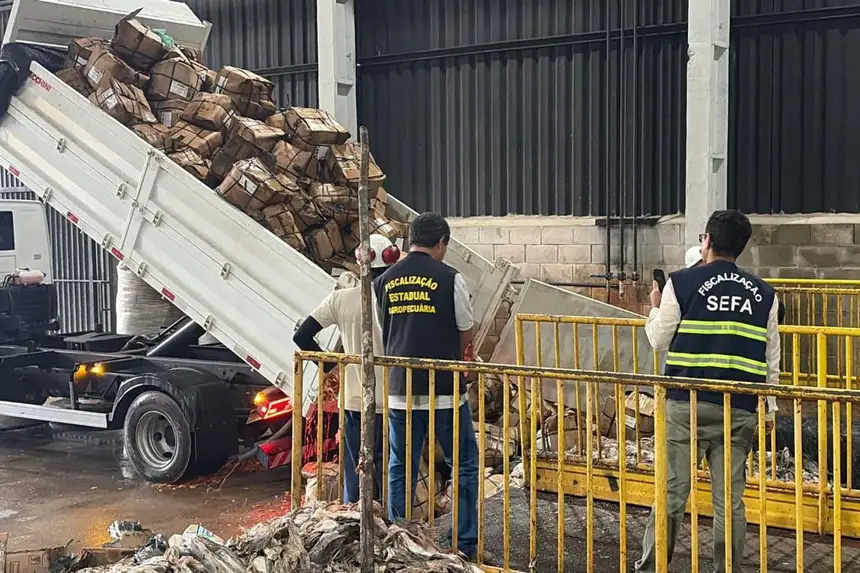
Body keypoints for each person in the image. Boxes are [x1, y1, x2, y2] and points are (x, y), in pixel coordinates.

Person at [636, 210, 781, 573]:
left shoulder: (681, 283)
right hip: (740, 408)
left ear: (707, 242)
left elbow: (658, 339)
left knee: (671, 492)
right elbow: (771, 360)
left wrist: (654, 309)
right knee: (729, 502)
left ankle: (654, 566)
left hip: (688, 405)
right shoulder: (765, 295)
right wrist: (770, 410)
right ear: (741, 248)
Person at [373, 212, 480, 560]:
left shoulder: (384, 280)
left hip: (400, 391)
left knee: (399, 466)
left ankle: (400, 543)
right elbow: (466, 327)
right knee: (462, 463)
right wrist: (463, 355)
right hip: (445, 393)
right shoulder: (450, 278)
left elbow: (386, 326)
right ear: (441, 243)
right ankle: (464, 545)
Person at [292, 233, 401, 503]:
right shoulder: (400, 299)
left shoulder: (340, 300)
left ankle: (356, 522)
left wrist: (329, 362)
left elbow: (302, 336)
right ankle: (391, 526)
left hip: (354, 401)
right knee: (392, 469)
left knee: (357, 470)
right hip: (395, 399)